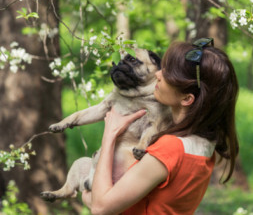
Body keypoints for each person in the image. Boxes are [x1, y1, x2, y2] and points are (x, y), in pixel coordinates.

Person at [82, 38, 239, 215]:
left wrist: (110, 134)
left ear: (187, 98)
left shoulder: (169, 149)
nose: (158, 74)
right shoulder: (205, 144)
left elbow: (100, 207)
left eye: (168, 74)